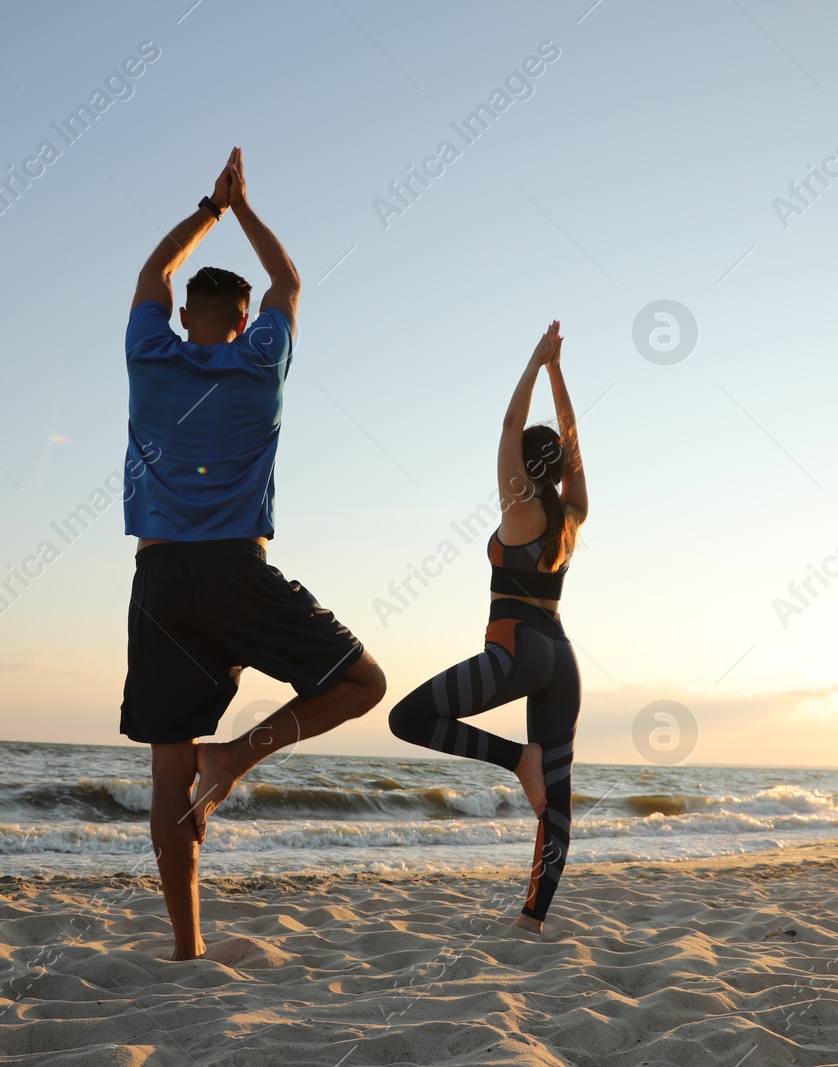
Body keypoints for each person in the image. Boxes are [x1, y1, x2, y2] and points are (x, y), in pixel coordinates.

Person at [119, 148, 386, 960]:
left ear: (182, 313)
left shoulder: (148, 354)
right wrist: (246, 209)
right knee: (362, 681)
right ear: (241, 319)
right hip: (236, 568)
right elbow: (289, 282)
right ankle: (236, 754)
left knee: (168, 777)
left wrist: (208, 209)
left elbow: (152, 271)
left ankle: (187, 945)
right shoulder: (259, 358)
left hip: (161, 579)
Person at [388, 320, 587, 933]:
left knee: (407, 719)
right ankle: (533, 918)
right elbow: (574, 446)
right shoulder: (571, 516)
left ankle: (513, 759)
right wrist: (559, 374)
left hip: (516, 649)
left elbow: (508, 428)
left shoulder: (520, 509)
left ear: (524, 469)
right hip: (562, 656)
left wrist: (534, 363)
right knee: (557, 798)